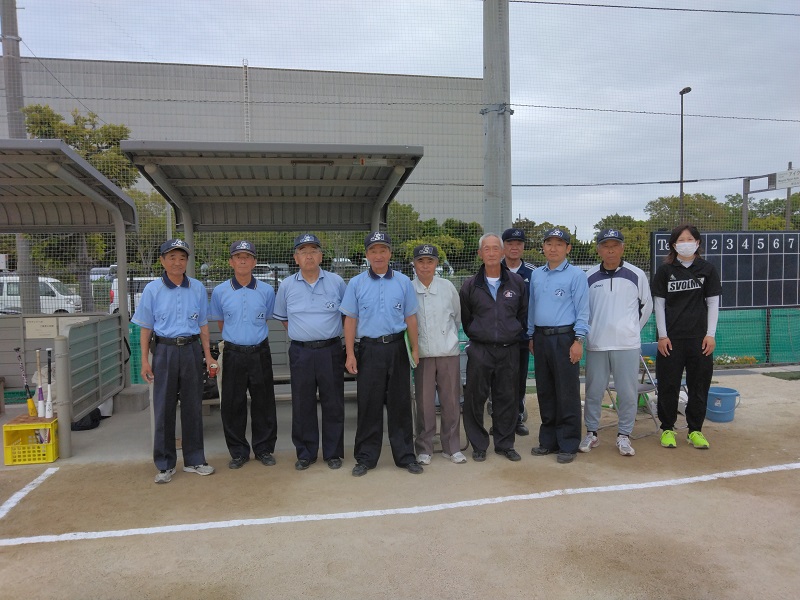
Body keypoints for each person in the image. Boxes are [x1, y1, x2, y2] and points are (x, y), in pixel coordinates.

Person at [133, 238, 216, 484]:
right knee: (164, 408)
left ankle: (195, 460)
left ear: (187, 261)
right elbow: (146, 328)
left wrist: (208, 355)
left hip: (191, 350)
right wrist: (145, 360)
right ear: (162, 261)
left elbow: (203, 324)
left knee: (193, 406)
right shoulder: (152, 290)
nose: (177, 262)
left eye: (182, 258)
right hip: (164, 352)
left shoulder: (197, 288)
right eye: (172, 258)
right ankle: (165, 464)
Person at [341, 231, 423, 476]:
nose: (378, 255)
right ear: (367, 255)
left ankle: (406, 456)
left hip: (397, 348)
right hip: (369, 349)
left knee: (400, 403)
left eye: (383, 250)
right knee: (369, 404)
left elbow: (410, 318)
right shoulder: (356, 283)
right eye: (373, 251)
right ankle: (366, 458)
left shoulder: (403, 282)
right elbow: (350, 320)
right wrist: (350, 354)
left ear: (390, 253)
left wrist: (415, 349)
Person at [273, 233, 347, 471]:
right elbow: (284, 319)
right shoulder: (286, 285)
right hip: (301, 352)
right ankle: (306, 453)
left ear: (321, 256)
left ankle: (333, 453)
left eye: (313, 251)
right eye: (303, 252)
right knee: (302, 403)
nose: (309, 256)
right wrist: (304, 334)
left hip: (331, 350)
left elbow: (347, 316)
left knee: (333, 402)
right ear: (296, 258)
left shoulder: (336, 282)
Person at [580, 228, 653, 456]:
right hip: (597, 344)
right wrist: (590, 333)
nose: (610, 250)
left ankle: (624, 435)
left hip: (626, 345)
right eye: (605, 246)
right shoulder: (588, 276)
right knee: (593, 392)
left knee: (628, 393)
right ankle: (592, 433)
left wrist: (631, 329)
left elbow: (647, 306)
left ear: (622, 248)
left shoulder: (637, 274)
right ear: (598, 250)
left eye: (615, 246)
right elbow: (583, 310)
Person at [651, 224, 721, 450]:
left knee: (699, 385)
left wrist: (710, 335)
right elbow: (659, 305)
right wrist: (663, 336)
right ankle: (667, 429)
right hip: (671, 340)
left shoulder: (707, 269)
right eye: (680, 240)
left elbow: (713, 303)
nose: (685, 243)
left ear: (698, 242)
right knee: (668, 385)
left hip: (700, 340)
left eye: (690, 239)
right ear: (673, 245)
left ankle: (695, 430)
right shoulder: (665, 271)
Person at [459, 233, 528, 463]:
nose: (491, 253)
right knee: (475, 398)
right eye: (486, 249)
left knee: (507, 397)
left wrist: (511, 331)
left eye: (495, 248)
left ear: (502, 252)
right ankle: (479, 445)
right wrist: (480, 334)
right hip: (480, 350)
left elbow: (522, 314)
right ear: (480, 253)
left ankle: (505, 444)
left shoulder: (516, 283)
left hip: (509, 350)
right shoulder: (470, 285)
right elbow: (467, 319)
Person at [209, 240, 278, 470]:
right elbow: (221, 322)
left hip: (260, 352)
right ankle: (238, 452)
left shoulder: (266, 291)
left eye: (247, 257)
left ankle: (264, 449)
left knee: (264, 402)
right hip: (233, 353)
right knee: (232, 404)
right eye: (238, 257)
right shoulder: (220, 291)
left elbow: (266, 317)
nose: (243, 260)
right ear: (231, 262)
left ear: (254, 262)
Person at [528, 228, 590, 464]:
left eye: (559, 244)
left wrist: (578, 340)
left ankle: (568, 443)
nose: (553, 248)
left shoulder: (576, 275)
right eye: (549, 243)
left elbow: (583, 310)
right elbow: (532, 307)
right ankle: (548, 440)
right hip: (541, 338)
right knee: (545, 390)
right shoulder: (537, 275)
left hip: (565, 338)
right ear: (543, 247)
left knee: (567, 392)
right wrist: (531, 335)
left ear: (568, 248)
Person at [411, 243, 466, 465]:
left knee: (451, 401)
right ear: (414, 264)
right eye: (421, 261)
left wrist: (447, 338)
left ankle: (452, 447)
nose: (425, 266)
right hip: (422, 354)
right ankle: (424, 448)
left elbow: (457, 318)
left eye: (430, 261)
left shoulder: (447, 287)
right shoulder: (408, 288)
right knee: (424, 403)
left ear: (436, 264)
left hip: (448, 353)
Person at [501, 227, 536, 436]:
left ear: (523, 247)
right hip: (498, 338)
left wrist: (532, 335)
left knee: (519, 380)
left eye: (518, 244)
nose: (514, 247)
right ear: (503, 246)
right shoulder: (493, 269)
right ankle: (500, 420)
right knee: (499, 381)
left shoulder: (533, 273)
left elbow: (537, 305)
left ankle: (517, 418)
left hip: (522, 338)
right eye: (510, 243)